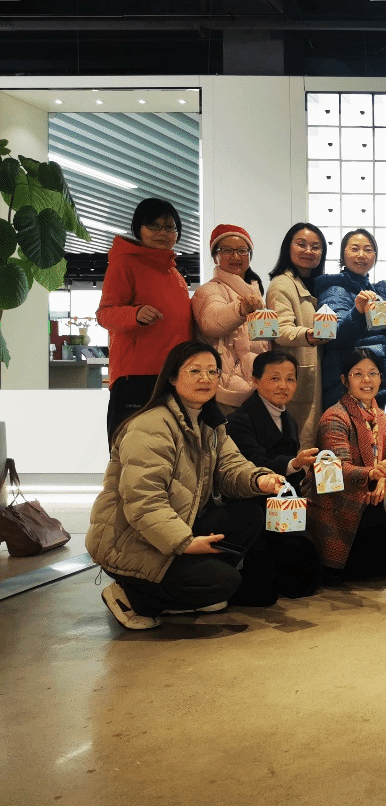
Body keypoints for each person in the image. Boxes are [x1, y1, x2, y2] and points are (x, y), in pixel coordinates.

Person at [87, 341, 287, 630]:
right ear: (172, 377)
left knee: (250, 514)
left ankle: (179, 594)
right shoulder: (151, 426)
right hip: (130, 541)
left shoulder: (210, 423)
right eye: (195, 371)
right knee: (224, 583)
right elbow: (144, 502)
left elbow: (231, 467)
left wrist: (260, 479)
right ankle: (131, 596)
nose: (205, 378)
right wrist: (186, 543)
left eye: (212, 371)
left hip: (176, 524)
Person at [308, 349, 386, 582]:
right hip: (340, 499)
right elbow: (338, 470)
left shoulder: (381, 416)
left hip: (370, 490)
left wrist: (384, 479)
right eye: (358, 374)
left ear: (381, 378)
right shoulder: (335, 416)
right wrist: (373, 474)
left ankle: (376, 563)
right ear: (344, 380)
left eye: (373, 373)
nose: (367, 380)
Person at [226, 350, 323, 600]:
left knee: (306, 579)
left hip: (284, 505)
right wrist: (293, 463)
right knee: (264, 591)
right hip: (255, 503)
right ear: (255, 381)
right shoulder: (238, 420)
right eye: (275, 378)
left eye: (290, 379)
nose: (283, 385)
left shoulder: (289, 419)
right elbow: (254, 464)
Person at [97, 197, 194, 442]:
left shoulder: (174, 273)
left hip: (173, 376)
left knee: (171, 450)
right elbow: (104, 314)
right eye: (154, 226)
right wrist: (135, 314)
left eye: (170, 227)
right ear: (138, 228)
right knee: (131, 448)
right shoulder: (124, 263)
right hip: (136, 377)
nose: (163, 233)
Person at [192, 223, 270, 415]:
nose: (235, 256)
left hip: (256, 388)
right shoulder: (208, 291)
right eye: (227, 250)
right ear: (215, 256)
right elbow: (212, 322)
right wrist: (240, 309)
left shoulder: (254, 292)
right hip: (224, 392)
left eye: (242, 250)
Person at [266, 222, 331, 450]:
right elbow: (279, 330)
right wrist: (309, 335)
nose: (308, 251)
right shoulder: (282, 284)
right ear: (288, 247)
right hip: (295, 372)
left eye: (316, 246)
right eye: (301, 244)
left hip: (313, 371)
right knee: (300, 440)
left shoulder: (316, 285)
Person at [316, 229, 386, 411]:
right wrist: (357, 312)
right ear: (343, 255)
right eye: (354, 249)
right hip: (347, 383)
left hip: (372, 379)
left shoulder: (375, 291)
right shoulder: (334, 290)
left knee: (373, 428)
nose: (361, 255)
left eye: (368, 250)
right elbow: (332, 336)